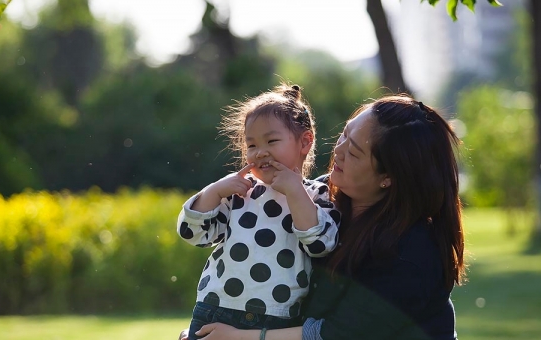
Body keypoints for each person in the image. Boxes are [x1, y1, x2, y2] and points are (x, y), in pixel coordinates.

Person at [182, 94, 466, 340]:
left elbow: (337, 335)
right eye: (344, 134)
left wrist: (241, 337)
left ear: (388, 177)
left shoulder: (414, 252)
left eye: (353, 152)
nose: (338, 150)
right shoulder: (318, 198)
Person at [176, 83, 341, 340]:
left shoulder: (317, 194)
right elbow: (193, 233)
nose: (260, 152)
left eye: (272, 141)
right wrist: (213, 192)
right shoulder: (239, 191)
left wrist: (295, 192)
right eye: (251, 145)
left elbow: (321, 244)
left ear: (305, 142)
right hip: (215, 310)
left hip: (275, 318)